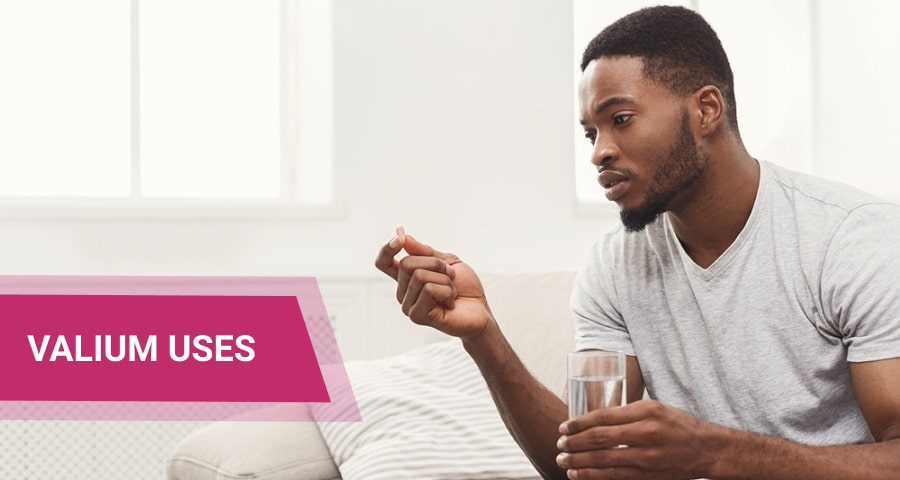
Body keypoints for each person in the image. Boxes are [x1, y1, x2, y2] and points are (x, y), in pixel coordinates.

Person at [375, 6, 900, 480]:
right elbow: (586, 461)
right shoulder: (614, 267)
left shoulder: (851, 240)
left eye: (619, 120)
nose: (600, 152)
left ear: (707, 110)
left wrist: (715, 453)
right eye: (590, 133)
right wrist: (483, 336)